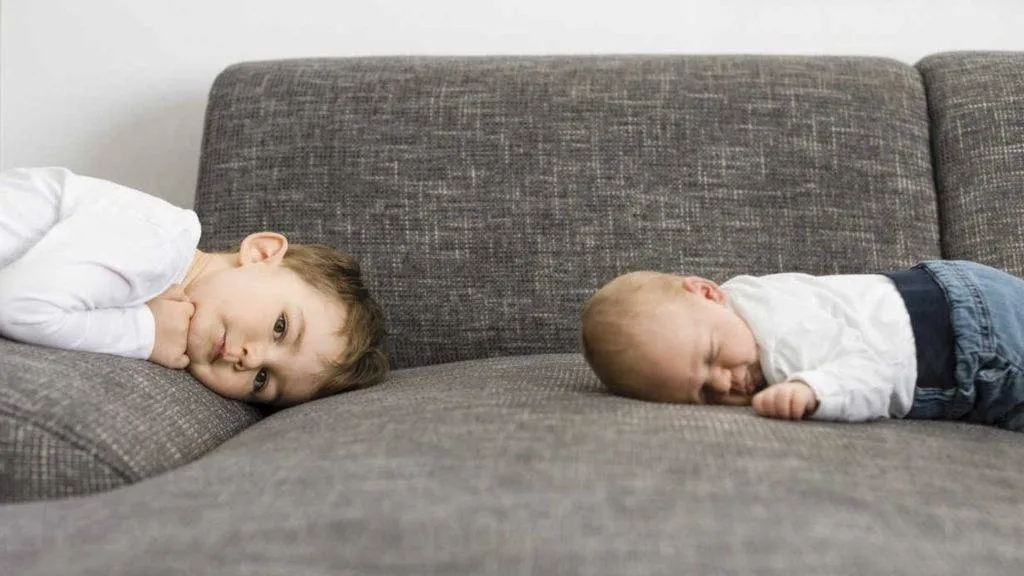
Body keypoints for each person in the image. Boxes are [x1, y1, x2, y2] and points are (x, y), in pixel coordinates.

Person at [0, 167, 388, 406]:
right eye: (281, 327)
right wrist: (146, 333)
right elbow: (16, 305)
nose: (250, 359)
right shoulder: (158, 246)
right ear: (261, 252)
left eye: (262, 381)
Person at [580, 260, 1024, 432]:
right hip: (954, 301)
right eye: (703, 392)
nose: (724, 381)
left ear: (709, 292)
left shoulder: (783, 336)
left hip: (972, 339)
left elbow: (873, 370)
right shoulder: (744, 299)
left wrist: (815, 389)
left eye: (713, 356)